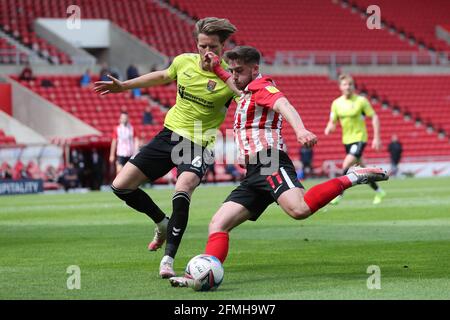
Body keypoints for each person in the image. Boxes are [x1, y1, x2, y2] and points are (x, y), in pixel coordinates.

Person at [169, 46, 389, 288]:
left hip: (268, 160)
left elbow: (283, 104)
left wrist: (300, 129)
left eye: (239, 71)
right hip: (253, 172)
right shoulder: (245, 89)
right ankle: (202, 274)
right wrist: (219, 69)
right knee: (218, 224)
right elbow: (231, 80)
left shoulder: (262, 87)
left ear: (255, 69)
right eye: (232, 71)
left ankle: (353, 176)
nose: (234, 76)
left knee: (299, 209)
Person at [93, 17, 237, 278]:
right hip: (169, 136)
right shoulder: (184, 62)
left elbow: (242, 94)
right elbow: (161, 76)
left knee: (183, 189)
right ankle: (162, 223)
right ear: (196, 44)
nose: (207, 52)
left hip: (198, 143)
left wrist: (219, 71)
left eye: (213, 47)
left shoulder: (229, 77)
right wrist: (124, 86)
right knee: (121, 186)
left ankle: (168, 259)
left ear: (223, 47)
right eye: (203, 46)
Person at [324, 73, 386, 205]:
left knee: (346, 165)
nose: (348, 87)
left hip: (360, 138)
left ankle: (338, 194)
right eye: (345, 84)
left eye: (350, 84)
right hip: (347, 140)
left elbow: (374, 117)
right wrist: (329, 127)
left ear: (353, 86)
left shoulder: (361, 101)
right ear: (340, 87)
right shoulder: (336, 103)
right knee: (363, 170)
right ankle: (379, 191)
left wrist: (377, 137)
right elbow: (332, 121)